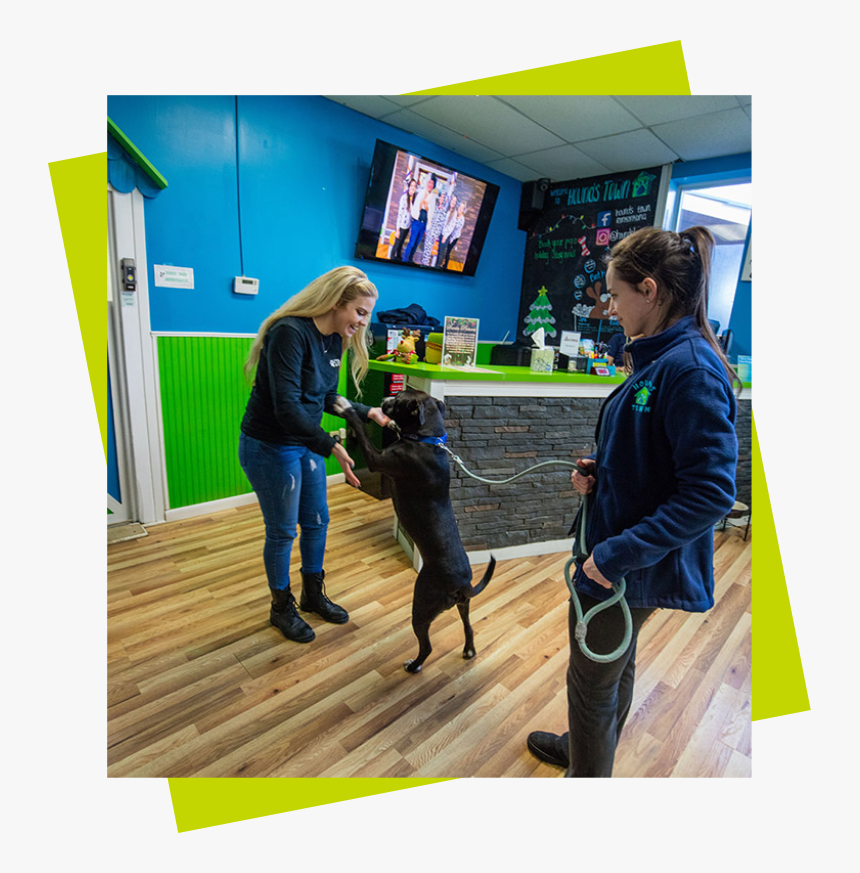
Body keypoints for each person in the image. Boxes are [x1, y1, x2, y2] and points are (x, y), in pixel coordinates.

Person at [527, 226, 739, 777]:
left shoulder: (689, 368)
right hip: (623, 556)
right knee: (611, 665)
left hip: (626, 563)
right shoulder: (660, 358)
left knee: (591, 682)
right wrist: (606, 473)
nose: (610, 308)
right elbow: (660, 459)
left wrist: (614, 555)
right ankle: (583, 751)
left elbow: (711, 492)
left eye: (615, 295)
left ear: (648, 290)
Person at [239, 266, 391, 644]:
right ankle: (280, 606)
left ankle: (312, 594)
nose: (363, 322)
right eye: (360, 311)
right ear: (336, 302)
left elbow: (326, 398)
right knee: (283, 531)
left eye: (367, 314)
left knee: (317, 521)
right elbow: (287, 408)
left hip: (302, 442)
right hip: (270, 445)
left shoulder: (333, 340)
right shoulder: (289, 333)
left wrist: (364, 410)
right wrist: (331, 444)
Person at [391, 177, 417, 262]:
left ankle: (398, 259)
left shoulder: (413, 199)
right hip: (401, 226)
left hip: (407, 226)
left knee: (401, 244)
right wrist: (397, 229)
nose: (413, 187)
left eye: (415, 186)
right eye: (411, 185)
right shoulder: (404, 198)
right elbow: (400, 214)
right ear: (409, 186)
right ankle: (391, 260)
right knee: (396, 245)